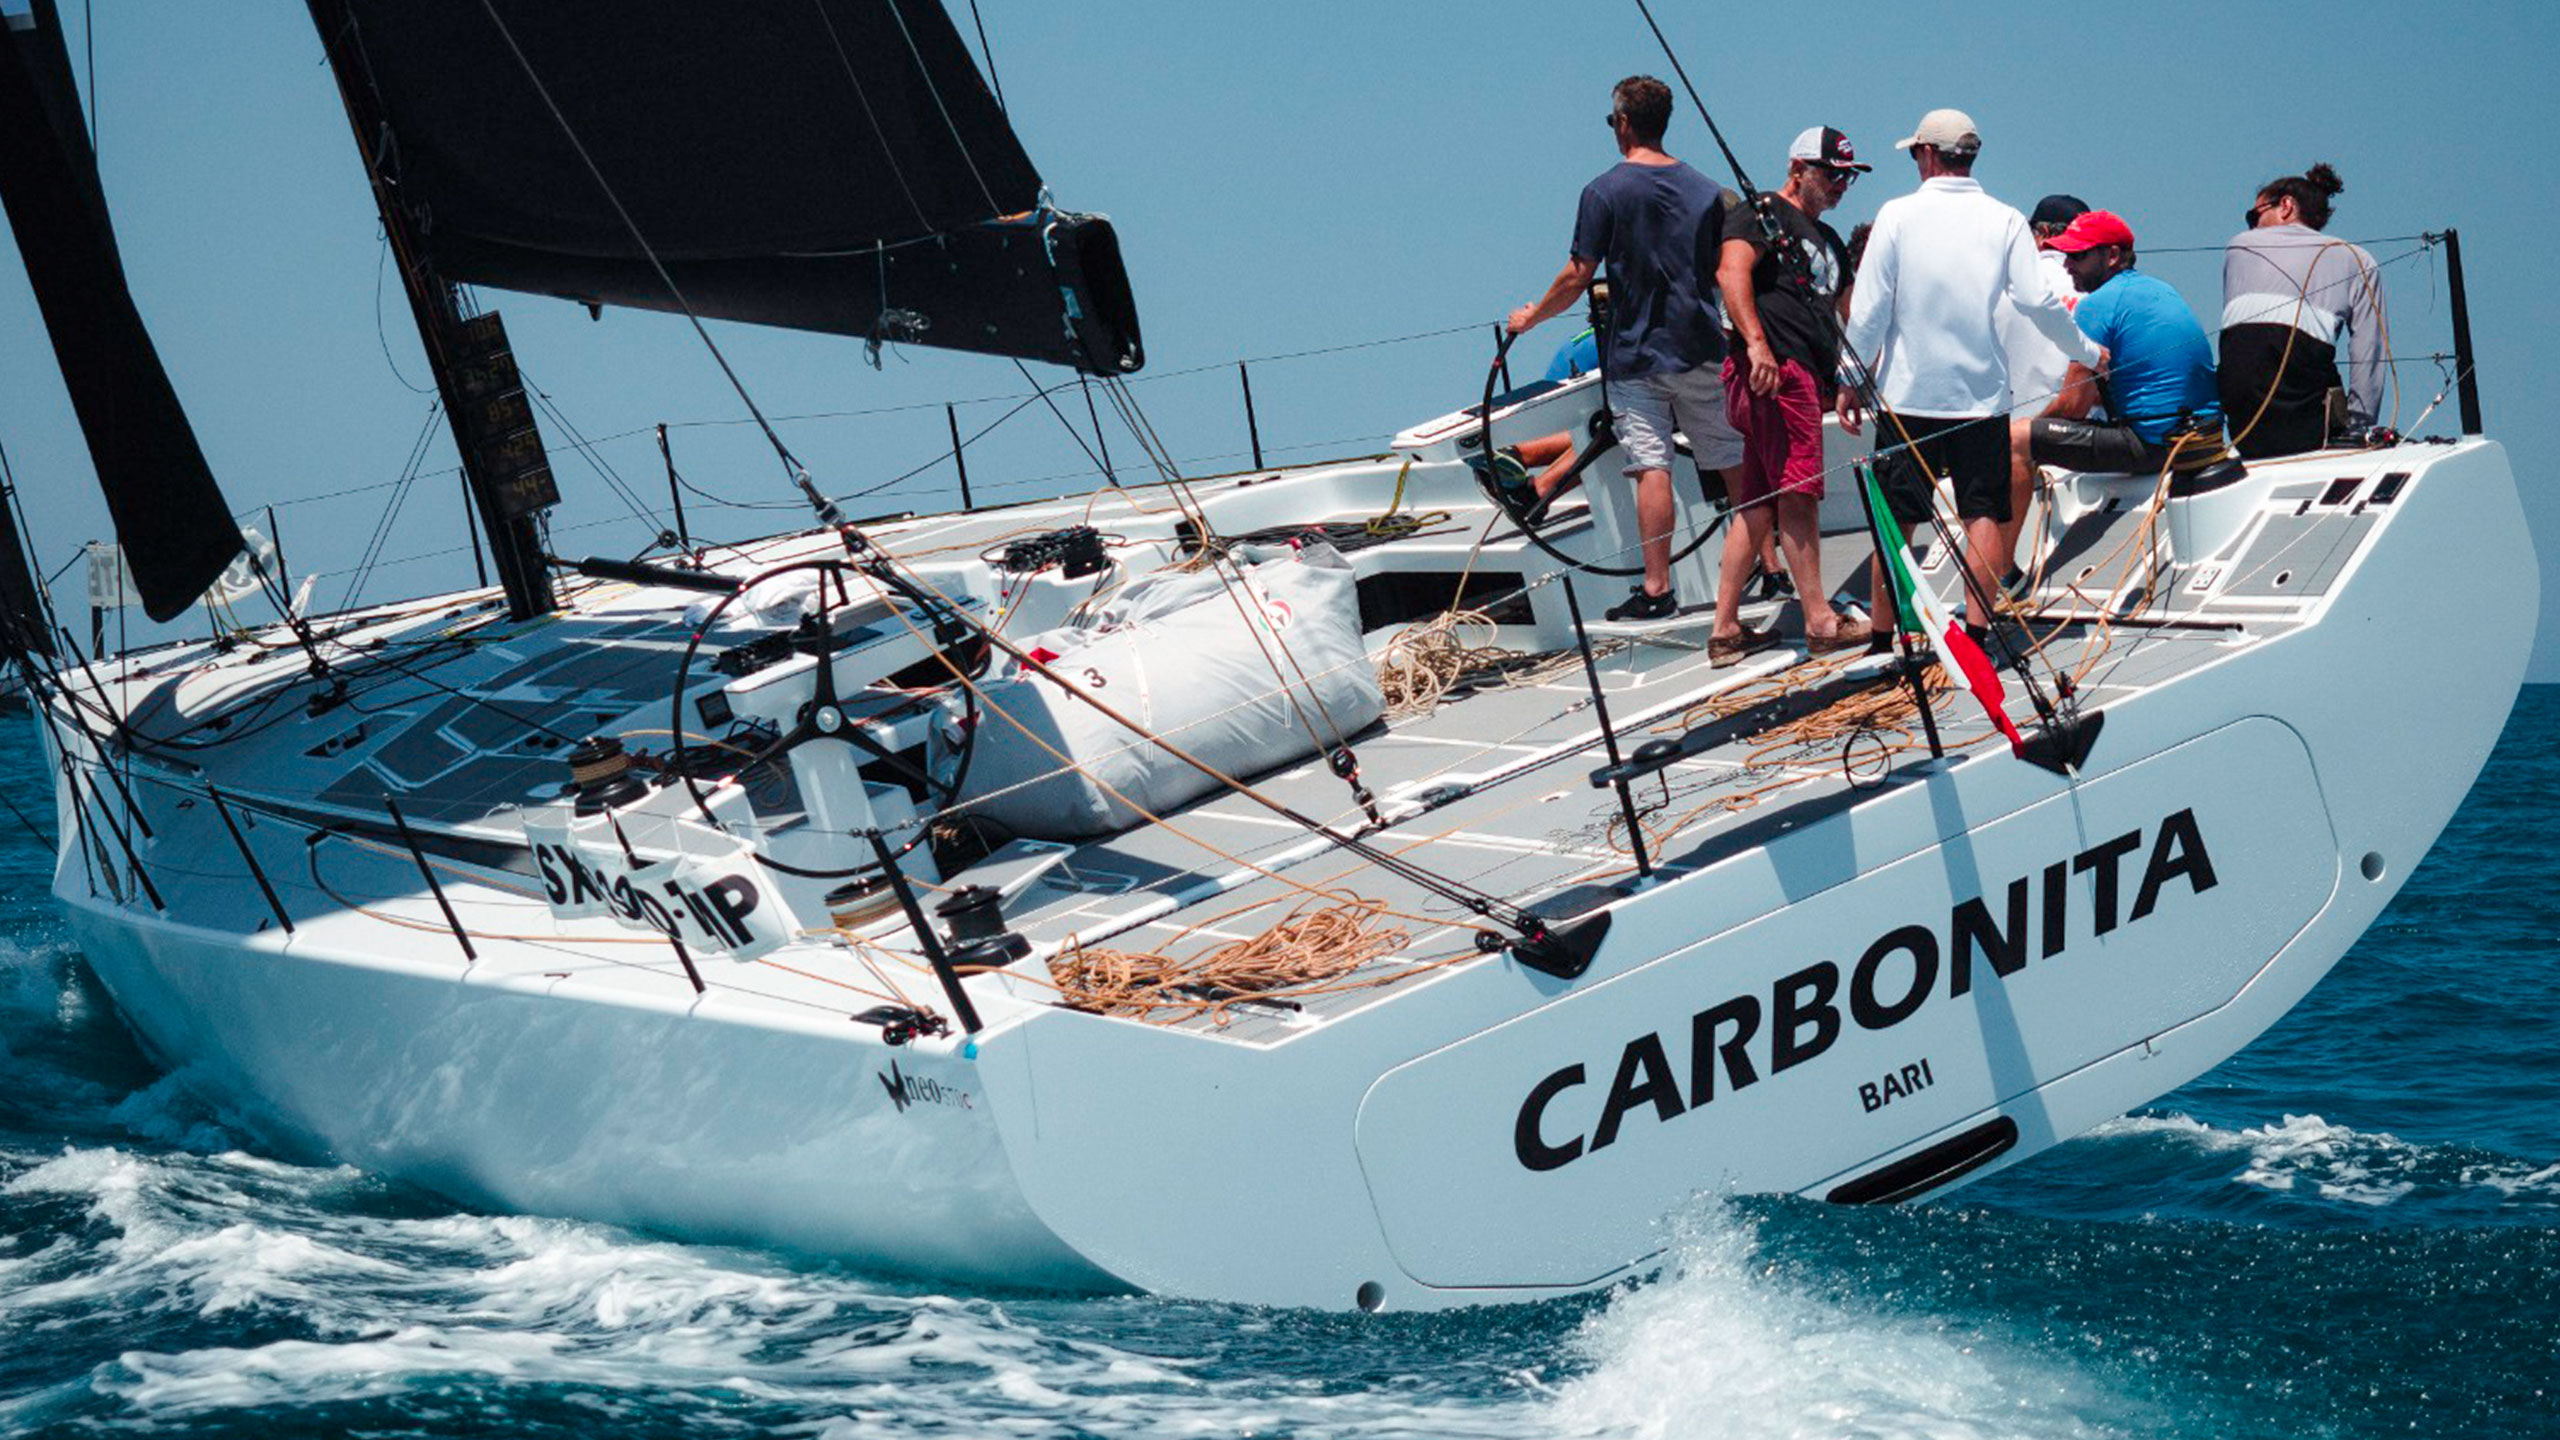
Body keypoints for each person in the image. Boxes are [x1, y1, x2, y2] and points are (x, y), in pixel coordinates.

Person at [1840, 108, 2101, 649]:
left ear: (1927, 153)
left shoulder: (1896, 215)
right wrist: (2087, 352)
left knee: (1896, 519)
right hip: (1980, 400)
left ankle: (1885, 638)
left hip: (1908, 396)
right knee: (1983, 513)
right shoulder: (2005, 220)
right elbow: (2038, 302)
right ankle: (1977, 632)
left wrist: (1848, 377)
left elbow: (1869, 310)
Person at [1508, 75, 1746, 629]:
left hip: (1638, 356)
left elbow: (1578, 275)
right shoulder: (1707, 190)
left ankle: (1657, 590)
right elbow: (1726, 267)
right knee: (1732, 461)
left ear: (1622, 123)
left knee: (1651, 467)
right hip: (1703, 346)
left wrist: (1531, 318)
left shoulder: (1604, 192)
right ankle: (1772, 565)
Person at [1712, 125, 1869, 658]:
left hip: (1800, 376)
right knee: (1799, 492)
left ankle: (1725, 628)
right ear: (1798, 170)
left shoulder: (1830, 241)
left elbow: (1851, 314)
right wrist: (1757, 345)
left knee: (1759, 500)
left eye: (1847, 177)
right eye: (1831, 174)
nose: (1840, 185)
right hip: (1779, 372)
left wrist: (1850, 380)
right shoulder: (1761, 213)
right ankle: (1820, 620)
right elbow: (1731, 272)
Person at [2012, 210, 2222, 480]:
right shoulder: (2161, 289)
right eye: (2066, 256)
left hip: (2152, 446)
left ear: (2112, 256)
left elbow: (2073, 407)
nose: (2067, 266)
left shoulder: (2096, 304)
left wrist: (2032, 428)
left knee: (2016, 437)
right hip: (2201, 441)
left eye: (2078, 256)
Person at [2220, 163, 2387, 458]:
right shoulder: (2357, 259)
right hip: (2308, 426)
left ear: (2286, 206)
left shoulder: (2239, 246)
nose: (2252, 227)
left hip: (2242, 427)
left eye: (2254, 216)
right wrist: (2359, 425)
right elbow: (2368, 349)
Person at [1994, 194, 2092, 573]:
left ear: (2041, 234)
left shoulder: (1999, 284)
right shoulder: (2091, 287)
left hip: (2000, 450)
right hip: (2070, 449)